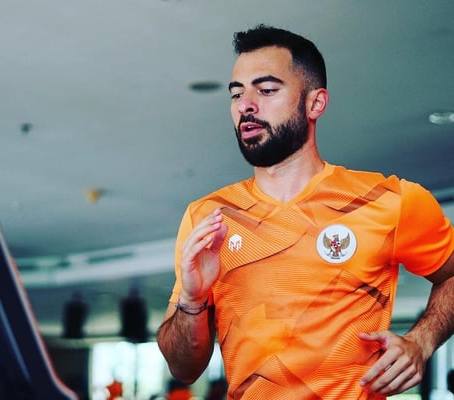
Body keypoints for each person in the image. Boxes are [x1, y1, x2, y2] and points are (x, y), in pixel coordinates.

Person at [156, 24, 454, 400]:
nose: (245, 105)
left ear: (315, 103)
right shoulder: (208, 217)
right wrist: (192, 299)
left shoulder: (389, 201)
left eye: (266, 90)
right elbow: (183, 368)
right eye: (237, 94)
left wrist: (422, 341)